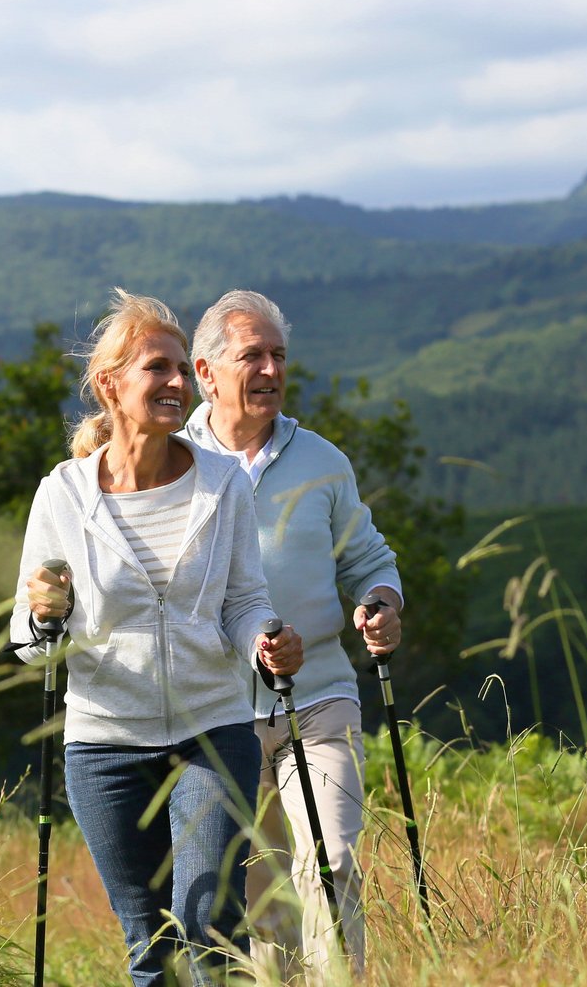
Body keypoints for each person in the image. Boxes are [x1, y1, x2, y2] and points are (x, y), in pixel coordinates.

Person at [12, 288, 304, 987]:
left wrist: (266, 638)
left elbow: (244, 601)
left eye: (181, 368)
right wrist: (44, 614)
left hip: (212, 729)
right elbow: (29, 639)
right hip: (104, 744)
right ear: (111, 385)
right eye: (158, 369)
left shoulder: (222, 483)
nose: (177, 384)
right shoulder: (63, 494)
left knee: (207, 927)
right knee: (151, 945)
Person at [185, 289, 404, 982]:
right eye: (253, 355)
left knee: (331, 864)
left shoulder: (322, 461)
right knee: (265, 904)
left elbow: (369, 560)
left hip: (317, 703)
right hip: (217, 716)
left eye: (279, 356)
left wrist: (379, 601)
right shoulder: (169, 464)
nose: (272, 370)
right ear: (206, 371)